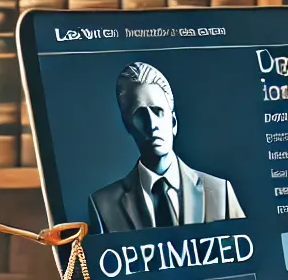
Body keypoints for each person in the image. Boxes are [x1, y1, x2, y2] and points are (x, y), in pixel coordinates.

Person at [91, 62, 244, 233]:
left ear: (174, 122)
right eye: (140, 114)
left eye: (158, 111)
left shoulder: (220, 192)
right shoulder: (103, 205)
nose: (152, 124)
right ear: (127, 125)